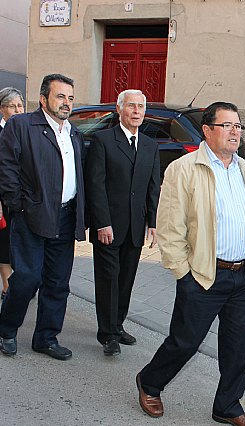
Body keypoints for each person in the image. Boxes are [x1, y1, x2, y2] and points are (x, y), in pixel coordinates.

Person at [135, 102, 245, 426]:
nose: (235, 131)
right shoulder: (184, 168)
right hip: (204, 276)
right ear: (208, 130)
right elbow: (169, 226)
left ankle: (228, 406)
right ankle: (150, 383)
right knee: (186, 341)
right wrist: (183, 274)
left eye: (238, 126)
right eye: (227, 125)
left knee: (238, 346)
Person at [0, 74, 86, 361]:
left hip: (66, 216)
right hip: (31, 216)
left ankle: (46, 337)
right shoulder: (22, 125)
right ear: (44, 99)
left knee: (58, 283)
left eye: (70, 98)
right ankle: (7, 329)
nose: (66, 103)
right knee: (27, 278)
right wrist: (18, 205)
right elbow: (4, 166)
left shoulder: (73, 132)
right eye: (60, 97)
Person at [85, 89, 160, 356]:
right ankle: (107, 335)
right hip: (108, 226)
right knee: (108, 279)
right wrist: (102, 223)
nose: (137, 111)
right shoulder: (103, 140)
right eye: (131, 106)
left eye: (141, 106)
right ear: (119, 109)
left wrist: (153, 222)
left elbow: (153, 187)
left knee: (126, 279)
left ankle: (117, 324)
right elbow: (96, 186)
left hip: (135, 226)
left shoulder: (151, 145)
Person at [0, 87, 24, 300]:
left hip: (24, 198)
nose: (17, 110)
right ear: (1, 108)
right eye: (11, 106)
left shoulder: (28, 131)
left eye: (20, 105)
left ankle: (23, 281)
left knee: (23, 241)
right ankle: (8, 284)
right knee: (1, 241)